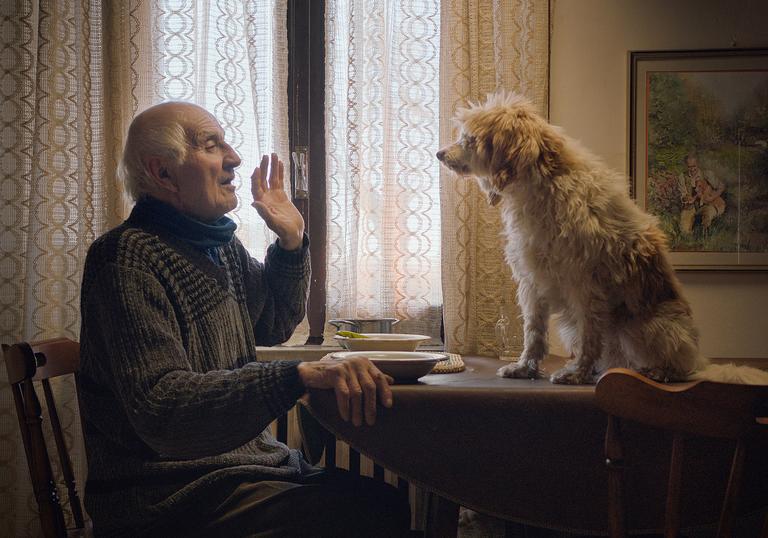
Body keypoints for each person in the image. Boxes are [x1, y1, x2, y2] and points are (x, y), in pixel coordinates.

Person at [77, 102, 411, 537]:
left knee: (382, 502)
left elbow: (273, 321)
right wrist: (299, 376)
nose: (234, 158)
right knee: (364, 514)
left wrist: (290, 242)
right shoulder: (125, 258)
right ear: (162, 174)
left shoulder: (218, 248)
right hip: (168, 497)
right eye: (211, 145)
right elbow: (162, 407)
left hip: (241, 474)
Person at [677, 154, 726, 235]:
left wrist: (712, 197)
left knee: (707, 213)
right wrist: (687, 199)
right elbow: (683, 195)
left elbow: (721, 187)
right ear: (686, 166)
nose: (692, 169)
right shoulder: (682, 177)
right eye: (689, 167)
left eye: (694, 166)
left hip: (710, 203)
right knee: (684, 230)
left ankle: (705, 236)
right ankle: (689, 238)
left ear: (698, 164)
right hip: (692, 206)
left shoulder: (707, 174)